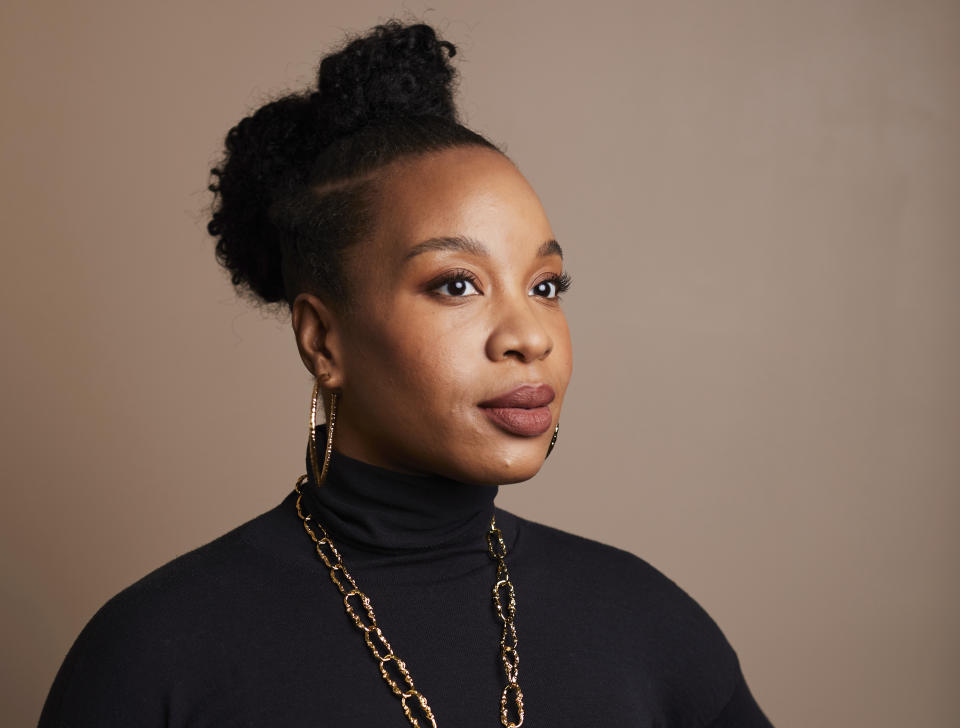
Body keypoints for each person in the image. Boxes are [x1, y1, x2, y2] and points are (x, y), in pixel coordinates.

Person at [38, 19, 773, 728]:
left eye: (545, 286)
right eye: (456, 284)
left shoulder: (647, 624)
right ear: (323, 340)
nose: (528, 336)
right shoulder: (153, 656)